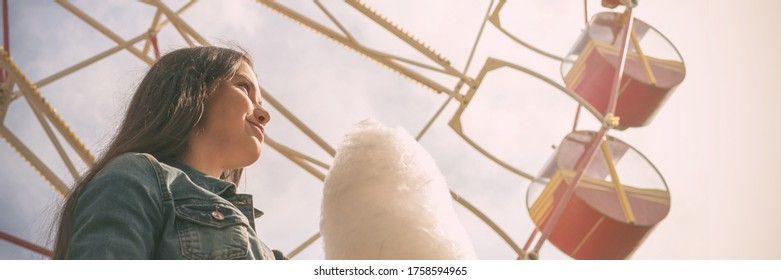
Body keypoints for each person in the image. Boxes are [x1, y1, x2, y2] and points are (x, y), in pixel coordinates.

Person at [52, 46, 281, 259]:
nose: (264, 114)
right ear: (194, 90)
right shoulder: (135, 176)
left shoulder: (270, 254)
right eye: (244, 87)